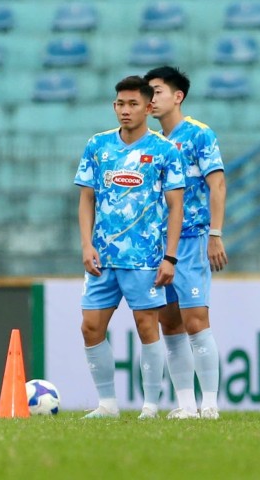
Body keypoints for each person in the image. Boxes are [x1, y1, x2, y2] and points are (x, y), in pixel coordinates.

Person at [75, 75, 185, 419]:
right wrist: (86, 244)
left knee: (147, 326)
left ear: (148, 107)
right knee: (90, 326)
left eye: (133, 104)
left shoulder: (164, 150)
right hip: (103, 258)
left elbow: (176, 206)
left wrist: (169, 256)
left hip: (145, 258)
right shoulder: (98, 145)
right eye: (120, 104)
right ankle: (107, 405)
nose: (125, 110)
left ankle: (150, 406)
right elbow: (86, 199)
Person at [144, 66, 227, 420]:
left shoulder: (198, 135)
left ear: (178, 96)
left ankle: (210, 403)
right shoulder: (149, 142)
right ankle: (186, 405)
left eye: (157, 91)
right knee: (170, 324)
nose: (151, 99)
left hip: (193, 238)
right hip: (158, 244)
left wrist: (215, 233)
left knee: (196, 321)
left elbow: (217, 184)